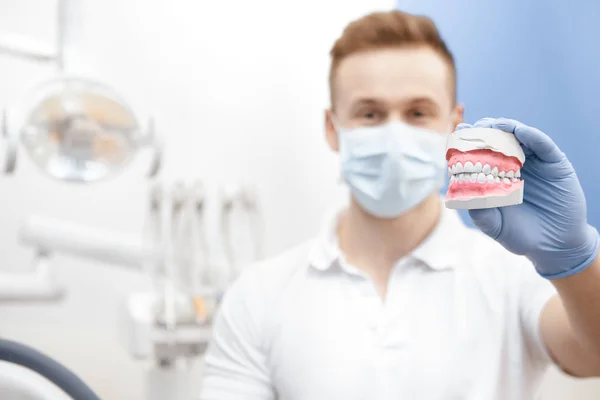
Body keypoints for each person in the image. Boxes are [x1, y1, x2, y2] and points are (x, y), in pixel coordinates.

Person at [200, 10, 600, 400]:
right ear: (332, 128)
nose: (394, 133)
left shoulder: (511, 276)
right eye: (370, 113)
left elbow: (593, 356)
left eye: (417, 112)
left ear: (453, 124)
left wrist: (574, 262)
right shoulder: (259, 296)